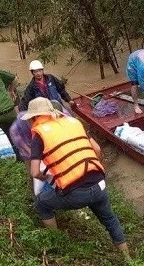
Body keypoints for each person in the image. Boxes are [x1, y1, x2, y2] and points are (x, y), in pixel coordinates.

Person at [21, 97, 128, 256]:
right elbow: (97, 150)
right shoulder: (74, 123)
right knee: (110, 220)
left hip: (75, 194)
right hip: (99, 186)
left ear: (34, 118)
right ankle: (128, 259)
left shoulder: (39, 135)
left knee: (41, 203)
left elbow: (35, 172)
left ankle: (58, 244)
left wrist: (50, 179)